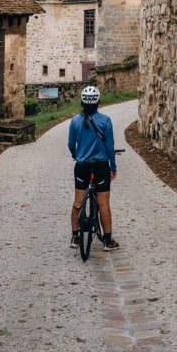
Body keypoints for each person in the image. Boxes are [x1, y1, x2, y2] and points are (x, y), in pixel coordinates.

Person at [68, 85, 119, 251]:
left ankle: (75, 236)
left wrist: (77, 155)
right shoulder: (105, 121)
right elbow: (110, 147)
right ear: (99, 102)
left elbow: (70, 144)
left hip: (82, 166)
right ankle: (108, 240)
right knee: (103, 202)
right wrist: (113, 166)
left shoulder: (75, 121)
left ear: (82, 102)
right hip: (101, 166)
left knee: (78, 201)